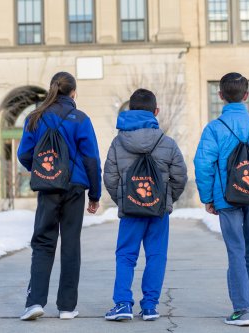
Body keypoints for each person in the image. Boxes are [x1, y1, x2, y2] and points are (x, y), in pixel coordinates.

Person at [194, 72, 249, 327]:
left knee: (236, 250)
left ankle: (241, 310)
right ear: (246, 96)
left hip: (227, 199)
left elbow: (203, 164)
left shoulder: (214, 129)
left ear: (220, 96)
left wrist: (208, 197)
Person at [17, 72, 102, 321]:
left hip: (48, 187)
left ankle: (34, 302)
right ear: (73, 93)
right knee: (71, 243)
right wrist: (95, 194)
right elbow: (91, 159)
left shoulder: (35, 117)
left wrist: (44, 170)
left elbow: (24, 154)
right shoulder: (81, 119)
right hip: (75, 188)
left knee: (43, 242)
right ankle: (66, 307)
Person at [103, 88, 188, 321]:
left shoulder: (118, 142)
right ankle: (150, 306)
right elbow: (180, 176)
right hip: (158, 210)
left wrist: (125, 199)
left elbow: (109, 177)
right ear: (156, 111)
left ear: (129, 110)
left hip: (131, 210)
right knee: (156, 255)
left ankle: (122, 304)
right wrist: (165, 199)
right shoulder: (167, 142)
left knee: (126, 255)